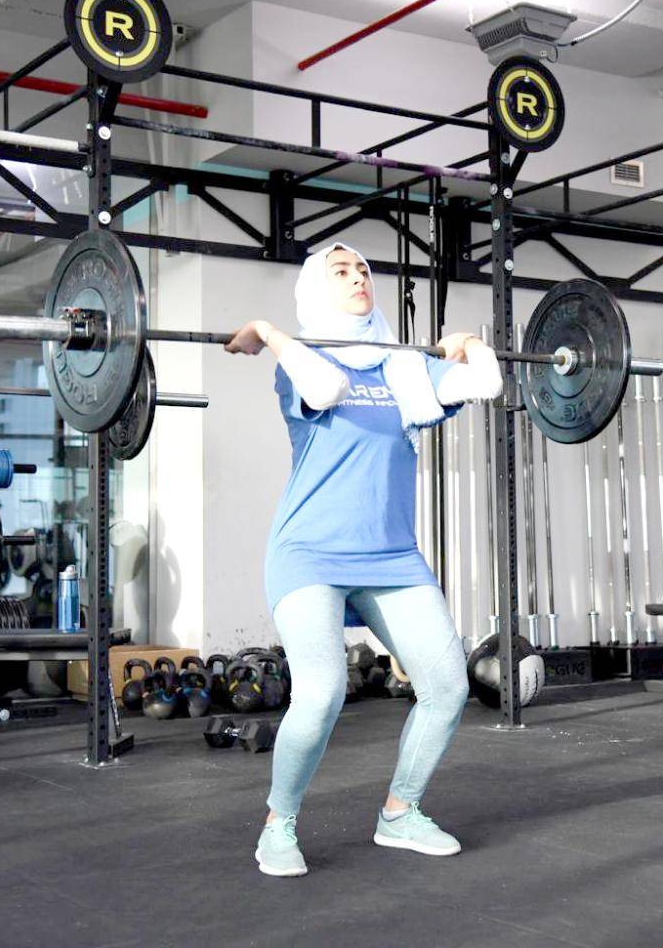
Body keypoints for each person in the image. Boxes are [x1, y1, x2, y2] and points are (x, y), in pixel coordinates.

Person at [225, 243, 504, 877]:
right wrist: (269, 331)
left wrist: (467, 344)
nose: (358, 278)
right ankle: (278, 824)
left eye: (364, 270)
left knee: (447, 686)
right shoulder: (300, 363)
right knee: (321, 694)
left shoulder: (404, 367)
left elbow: (487, 383)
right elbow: (328, 387)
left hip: (391, 556)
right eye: (341, 271)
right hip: (309, 554)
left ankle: (400, 813)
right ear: (314, 289)